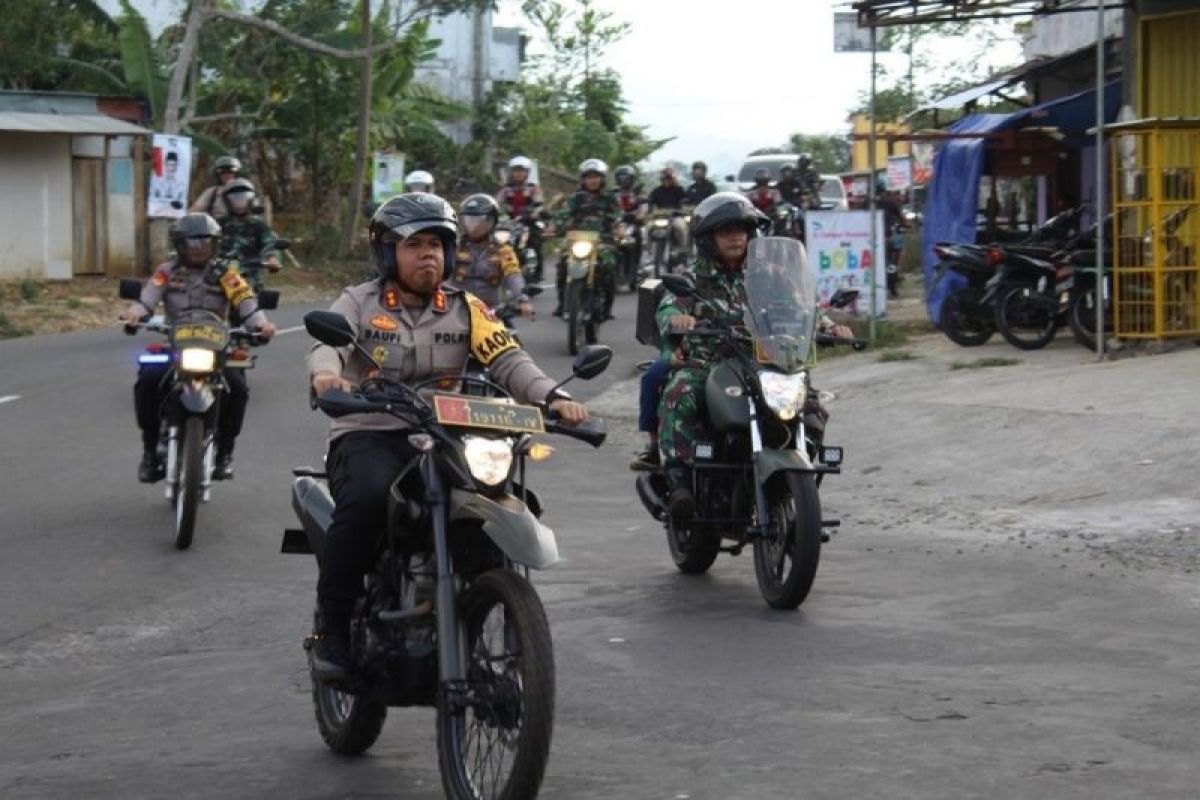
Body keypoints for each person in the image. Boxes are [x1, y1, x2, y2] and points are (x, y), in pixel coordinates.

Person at [305, 193, 588, 680]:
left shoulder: (467, 308)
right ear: (388, 252)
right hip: (373, 431)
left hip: (446, 434)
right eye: (414, 244)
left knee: (507, 497)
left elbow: (508, 359)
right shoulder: (360, 301)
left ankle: (481, 607)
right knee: (367, 502)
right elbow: (326, 347)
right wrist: (328, 378)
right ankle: (332, 633)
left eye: (436, 243)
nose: (428, 255)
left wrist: (552, 397)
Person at [655, 193, 849, 518]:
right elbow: (668, 305)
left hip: (767, 362)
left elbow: (804, 306)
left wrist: (829, 327)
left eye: (742, 230)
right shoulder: (691, 278)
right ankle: (680, 483)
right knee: (680, 394)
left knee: (812, 407)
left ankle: (791, 482)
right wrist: (677, 319)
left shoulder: (772, 274)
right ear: (707, 239)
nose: (735, 237)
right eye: (726, 231)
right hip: (711, 364)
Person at [119, 213, 277, 482]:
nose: (199, 248)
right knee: (148, 378)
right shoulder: (165, 272)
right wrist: (134, 313)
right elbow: (147, 299)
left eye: (206, 242)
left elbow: (247, 303)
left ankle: (225, 453)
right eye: (192, 242)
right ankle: (149, 451)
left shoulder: (227, 275)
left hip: (216, 347)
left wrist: (262, 323)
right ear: (180, 245)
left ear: (215, 245)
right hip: (177, 344)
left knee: (237, 387)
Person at [553, 158, 620, 319]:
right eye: (589, 177)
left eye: (595, 176)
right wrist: (555, 226)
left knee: (608, 266)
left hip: (603, 240)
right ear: (583, 179)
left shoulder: (610, 198)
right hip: (576, 239)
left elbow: (619, 216)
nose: (592, 180)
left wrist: (620, 228)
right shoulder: (575, 198)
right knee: (562, 264)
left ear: (602, 178)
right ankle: (563, 303)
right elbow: (563, 214)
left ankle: (607, 307)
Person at [447, 193, 531, 316]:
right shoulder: (453, 248)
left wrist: (522, 299)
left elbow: (513, 275)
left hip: (492, 312)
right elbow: (440, 276)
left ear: (492, 221)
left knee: (511, 335)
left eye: (478, 221)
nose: (473, 226)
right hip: (457, 312)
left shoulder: (503, 250)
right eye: (469, 220)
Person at [216, 178, 281, 292]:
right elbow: (205, 241)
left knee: (248, 301)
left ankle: (250, 309)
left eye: (243, 198)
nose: (240, 203)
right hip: (219, 273)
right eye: (235, 199)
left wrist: (272, 258)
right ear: (227, 201)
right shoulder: (218, 224)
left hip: (248, 274)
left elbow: (270, 243)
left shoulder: (258, 225)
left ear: (250, 199)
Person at [495, 155, 546, 278]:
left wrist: (535, 212)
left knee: (536, 242)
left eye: (522, 171)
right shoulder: (505, 189)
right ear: (511, 172)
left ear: (527, 173)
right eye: (516, 171)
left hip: (528, 223)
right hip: (508, 224)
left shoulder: (533, 188)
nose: (519, 174)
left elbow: (539, 204)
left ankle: (537, 274)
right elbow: (496, 203)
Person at [612, 164, 648, 276]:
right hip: (616, 224)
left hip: (633, 223)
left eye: (626, 178)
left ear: (631, 178)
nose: (624, 181)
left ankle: (639, 264)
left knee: (640, 235)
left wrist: (639, 215)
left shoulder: (639, 193)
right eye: (621, 178)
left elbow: (644, 208)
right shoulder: (613, 193)